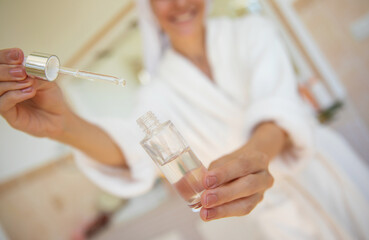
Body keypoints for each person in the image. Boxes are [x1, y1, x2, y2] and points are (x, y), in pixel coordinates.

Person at [0, 0, 368, 238]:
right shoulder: (159, 90)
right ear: (147, 7)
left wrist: (256, 154)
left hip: (332, 176)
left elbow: (278, 107)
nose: (179, 4)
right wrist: (63, 125)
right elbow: (134, 145)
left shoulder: (252, 32)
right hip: (276, 222)